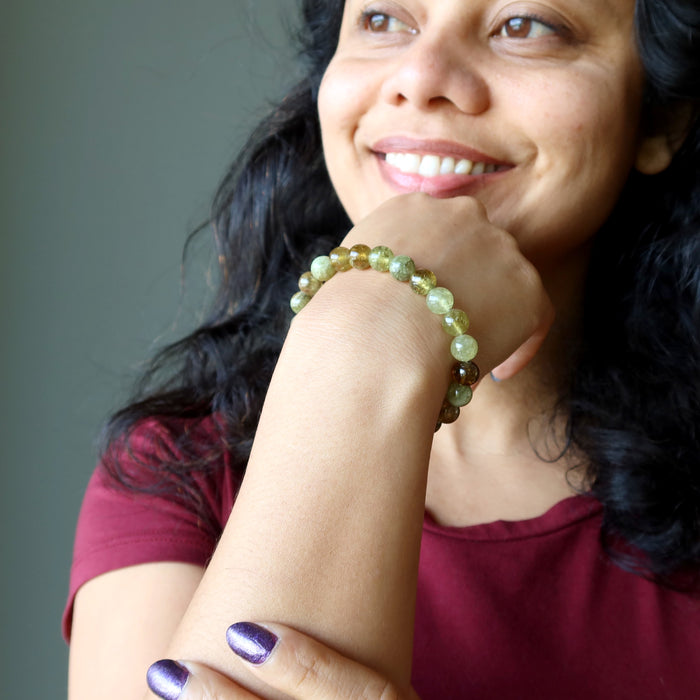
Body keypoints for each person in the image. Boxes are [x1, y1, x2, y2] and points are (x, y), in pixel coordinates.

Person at [65, 0, 700, 698]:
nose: (421, 77)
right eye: (382, 19)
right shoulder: (181, 473)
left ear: (661, 117)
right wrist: (367, 329)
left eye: (524, 25)